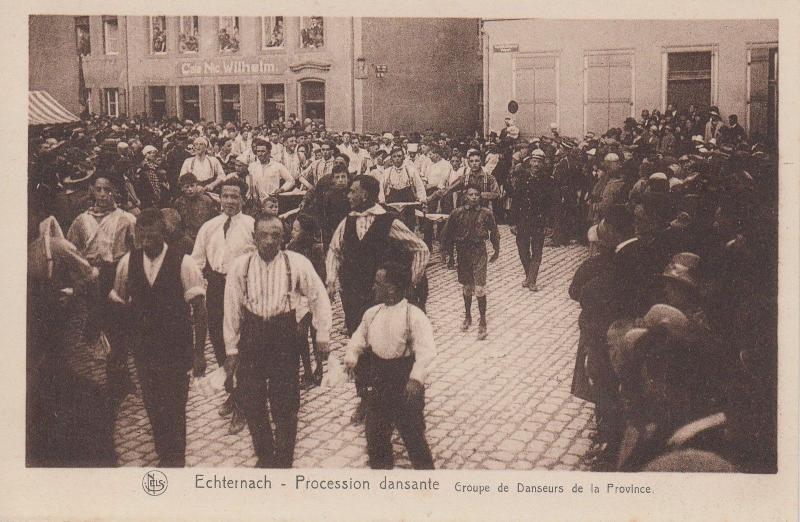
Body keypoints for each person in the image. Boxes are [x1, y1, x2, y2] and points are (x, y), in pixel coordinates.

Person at [223, 213, 332, 467]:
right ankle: (264, 455)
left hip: (284, 336)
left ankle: (283, 460)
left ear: (283, 238)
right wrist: (231, 348)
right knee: (253, 400)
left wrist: (323, 334)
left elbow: (318, 297)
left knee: (285, 403)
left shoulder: (296, 263)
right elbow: (231, 308)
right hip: (253, 335)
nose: (269, 241)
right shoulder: (241, 267)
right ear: (254, 237)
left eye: (275, 235)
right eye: (263, 235)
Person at [326, 175, 430, 423]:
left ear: (366, 195)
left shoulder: (389, 221)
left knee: (391, 347)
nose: (348, 196)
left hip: (383, 299)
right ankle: (365, 398)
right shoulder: (347, 221)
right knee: (360, 346)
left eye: (353, 191)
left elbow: (420, 249)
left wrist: (409, 283)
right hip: (353, 296)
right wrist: (331, 279)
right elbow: (334, 250)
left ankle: (402, 401)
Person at [109, 208, 207, 467]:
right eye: (142, 234)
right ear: (137, 234)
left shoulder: (183, 262)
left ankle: (176, 461)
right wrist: (120, 349)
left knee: (175, 408)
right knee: (153, 407)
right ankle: (165, 455)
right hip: (144, 352)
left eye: (152, 234)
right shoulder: (127, 263)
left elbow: (198, 309)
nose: (147, 239)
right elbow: (118, 304)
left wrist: (199, 353)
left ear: (163, 233)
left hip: (176, 351)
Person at [343, 261, 435, 469]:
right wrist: (351, 356)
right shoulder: (372, 313)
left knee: (414, 439)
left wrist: (416, 379)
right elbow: (359, 337)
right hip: (379, 382)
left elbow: (426, 351)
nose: (373, 287)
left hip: (404, 383)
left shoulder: (413, 316)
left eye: (378, 283)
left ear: (392, 289)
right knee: (375, 437)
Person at [191, 177, 255, 434]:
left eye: (235, 197)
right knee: (218, 340)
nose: (229, 201)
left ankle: (243, 403)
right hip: (216, 285)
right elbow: (197, 261)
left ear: (243, 199)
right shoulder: (209, 227)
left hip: (243, 287)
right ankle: (232, 392)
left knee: (241, 342)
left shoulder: (252, 226)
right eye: (225, 196)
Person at [67, 174, 137, 401]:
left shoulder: (125, 219)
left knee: (117, 325)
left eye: (108, 190)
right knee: (101, 326)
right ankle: (119, 375)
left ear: (115, 192)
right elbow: (72, 249)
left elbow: (135, 252)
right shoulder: (81, 221)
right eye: (99, 190)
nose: (103, 195)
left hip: (117, 275)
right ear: (92, 191)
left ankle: (118, 377)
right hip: (92, 279)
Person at [440, 185, 500, 340]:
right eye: (471, 194)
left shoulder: (486, 213)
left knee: (479, 288)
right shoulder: (457, 213)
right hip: (463, 252)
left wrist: (496, 249)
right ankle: (468, 316)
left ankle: (483, 321)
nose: (474, 197)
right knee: (467, 288)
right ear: (465, 196)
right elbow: (447, 233)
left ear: (480, 197)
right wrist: (445, 252)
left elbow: (494, 232)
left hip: (479, 251)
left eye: (477, 195)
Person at [509, 150, 556, 291]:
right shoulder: (522, 179)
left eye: (539, 162)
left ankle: (532, 280)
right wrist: (512, 222)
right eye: (534, 161)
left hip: (539, 222)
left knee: (537, 251)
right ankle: (528, 275)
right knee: (522, 250)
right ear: (529, 162)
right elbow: (515, 201)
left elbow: (553, 204)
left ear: (543, 164)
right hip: (523, 221)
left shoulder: (548, 181)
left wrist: (550, 224)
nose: (536, 164)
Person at [172, 173, 218, 248]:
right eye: (187, 187)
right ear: (182, 188)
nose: (190, 189)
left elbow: (213, 221)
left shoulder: (206, 200)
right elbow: (178, 223)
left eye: (192, 186)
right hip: (188, 238)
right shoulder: (179, 203)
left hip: (205, 236)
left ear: (196, 185)